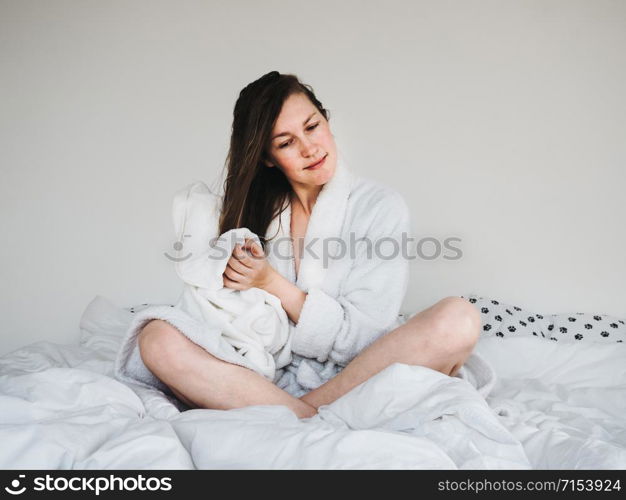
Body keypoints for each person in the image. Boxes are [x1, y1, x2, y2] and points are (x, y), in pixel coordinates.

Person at [137, 71, 481, 418]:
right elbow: (227, 317)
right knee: (154, 338)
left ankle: (301, 414)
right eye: (286, 143)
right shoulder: (254, 214)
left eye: (312, 127)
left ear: (326, 120)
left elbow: (363, 341)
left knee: (460, 318)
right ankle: (305, 414)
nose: (309, 148)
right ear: (267, 158)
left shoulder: (379, 206)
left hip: (359, 374)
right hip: (263, 378)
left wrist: (270, 282)